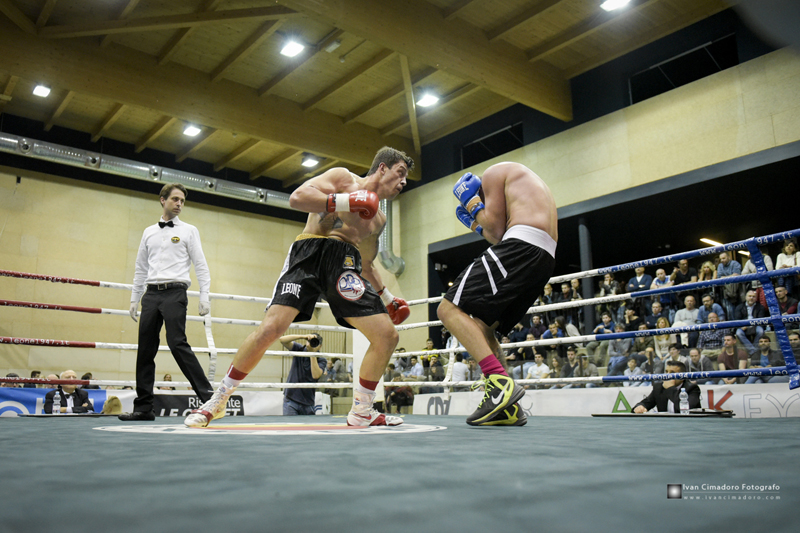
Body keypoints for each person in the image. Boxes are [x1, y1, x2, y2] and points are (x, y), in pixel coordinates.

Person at [185, 147, 414, 428]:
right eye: (400, 173)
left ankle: (362, 410)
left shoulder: (379, 219)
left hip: (345, 263)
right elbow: (298, 198)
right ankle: (217, 401)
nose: (403, 182)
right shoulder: (343, 179)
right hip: (309, 252)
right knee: (272, 328)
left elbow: (366, 264)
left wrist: (388, 298)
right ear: (382, 168)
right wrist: (348, 200)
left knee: (387, 336)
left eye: (406, 178)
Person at [437, 162, 556, 427]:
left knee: (447, 309)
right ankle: (507, 409)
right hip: (544, 256)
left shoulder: (493, 173)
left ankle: (498, 384)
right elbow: (495, 234)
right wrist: (477, 225)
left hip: (522, 244)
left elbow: (497, 232)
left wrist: (473, 206)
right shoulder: (523, 180)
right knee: (482, 328)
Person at [122, 183, 214, 421]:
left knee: (177, 343)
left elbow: (201, 265)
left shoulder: (189, 230)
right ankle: (143, 408)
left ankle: (210, 400)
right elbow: (140, 268)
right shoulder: (148, 232)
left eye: (182, 200)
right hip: (151, 295)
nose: (179, 204)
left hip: (175, 292)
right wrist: (135, 298)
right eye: (175, 199)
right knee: (145, 350)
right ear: (162, 200)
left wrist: (205, 295)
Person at [279, 333, 327, 415]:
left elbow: (315, 375)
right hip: (291, 399)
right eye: (310, 341)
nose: (312, 344)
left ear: (320, 346)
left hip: (308, 403)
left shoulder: (321, 360)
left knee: (307, 428)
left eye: (315, 342)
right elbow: (282, 340)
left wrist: (312, 353)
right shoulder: (299, 349)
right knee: (289, 427)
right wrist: (303, 336)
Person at [631, 361, 701, 413]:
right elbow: (646, 402)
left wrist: (670, 388)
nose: (668, 375)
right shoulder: (659, 387)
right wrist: (640, 407)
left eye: (672, 373)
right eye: (666, 371)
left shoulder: (692, 388)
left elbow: (685, 409)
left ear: (682, 376)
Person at [733, 289, 768, 356]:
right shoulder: (739, 307)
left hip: (755, 326)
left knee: (760, 331)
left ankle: (753, 351)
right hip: (743, 326)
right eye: (750, 296)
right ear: (746, 297)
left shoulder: (760, 307)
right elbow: (737, 319)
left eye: (753, 296)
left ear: (756, 298)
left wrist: (750, 325)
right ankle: (754, 352)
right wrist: (742, 325)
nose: (751, 298)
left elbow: (760, 320)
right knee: (738, 333)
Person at [717, 251, 742, 320]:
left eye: (724, 258)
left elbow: (736, 275)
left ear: (729, 257)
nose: (722, 260)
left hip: (737, 291)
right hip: (726, 292)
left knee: (738, 309)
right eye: (721, 259)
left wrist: (725, 277)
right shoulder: (720, 266)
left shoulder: (735, 263)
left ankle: (739, 326)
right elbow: (719, 278)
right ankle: (732, 328)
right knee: (729, 311)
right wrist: (730, 276)